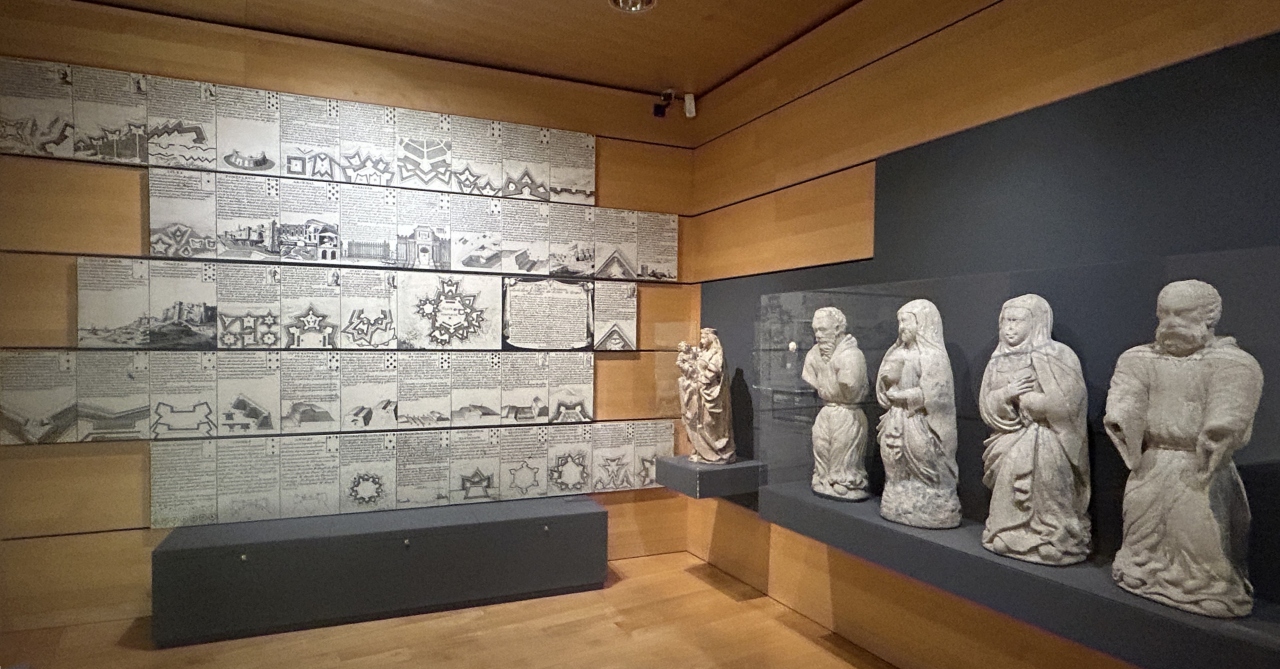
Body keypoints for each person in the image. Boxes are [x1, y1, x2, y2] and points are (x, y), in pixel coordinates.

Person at [1104, 280, 1263, 618]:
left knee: (1199, 531)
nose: (1171, 323)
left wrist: (1218, 431)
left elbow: (1230, 405)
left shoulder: (1232, 362)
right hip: (1152, 461)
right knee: (1141, 526)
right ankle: (1140, 570)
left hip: (1200, 465)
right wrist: (1121, 417)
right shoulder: (1138, 358)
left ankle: (1209, 587)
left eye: (1182, 314)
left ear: (1208, 317)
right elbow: (1127, 396)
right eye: (1165, 314)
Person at [979, 295, 1090, 565]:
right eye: (1005, 321)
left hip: (1050, 438)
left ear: (1036, 323)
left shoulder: (1059, 355)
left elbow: (1070, 405)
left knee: (1049, 484)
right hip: (1009, 437)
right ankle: (1007, 531)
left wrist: (1034, 402)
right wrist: (1007, 392)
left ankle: (1054, 537)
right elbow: (986, 406)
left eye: (1016, 321)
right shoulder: (997, 361)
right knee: (1008, 482)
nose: (1009, 327)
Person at [875, 299, 960, 528]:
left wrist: (902, 396)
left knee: (923, 455)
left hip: (920, 420)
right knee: (892, 453)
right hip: (896, 417)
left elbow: (936, 396)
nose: (901, 327)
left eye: (906, 322)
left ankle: (932, 498)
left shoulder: (933, 357)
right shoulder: (895, 353)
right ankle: (896, 492)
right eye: (900, 322)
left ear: (922, 324)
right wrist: (885, 382)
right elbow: (884, 385)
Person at [802, 307, 870, 500]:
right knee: (821, 446)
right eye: (815, 330)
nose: (818, 335)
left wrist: (836, 363)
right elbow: (810, 375)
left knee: (843, 451)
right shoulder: (814, 354)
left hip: (847, 413)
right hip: (827, 410)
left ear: (838, 329)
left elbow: (851, 386)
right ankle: (823, 478)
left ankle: (844, 481)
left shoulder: (852, 355)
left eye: (823, 329)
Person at [677, 328, 735, 463]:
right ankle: (702, 451)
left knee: (709, 423)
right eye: (701, 337)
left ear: (711, 338)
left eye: (704, 337)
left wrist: (701, 380)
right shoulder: (703, 352)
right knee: (698, 421)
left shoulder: (716, 354)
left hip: (711, 393)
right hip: (699, 392)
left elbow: (712, 373)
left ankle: (717, 451)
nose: (702, 339)